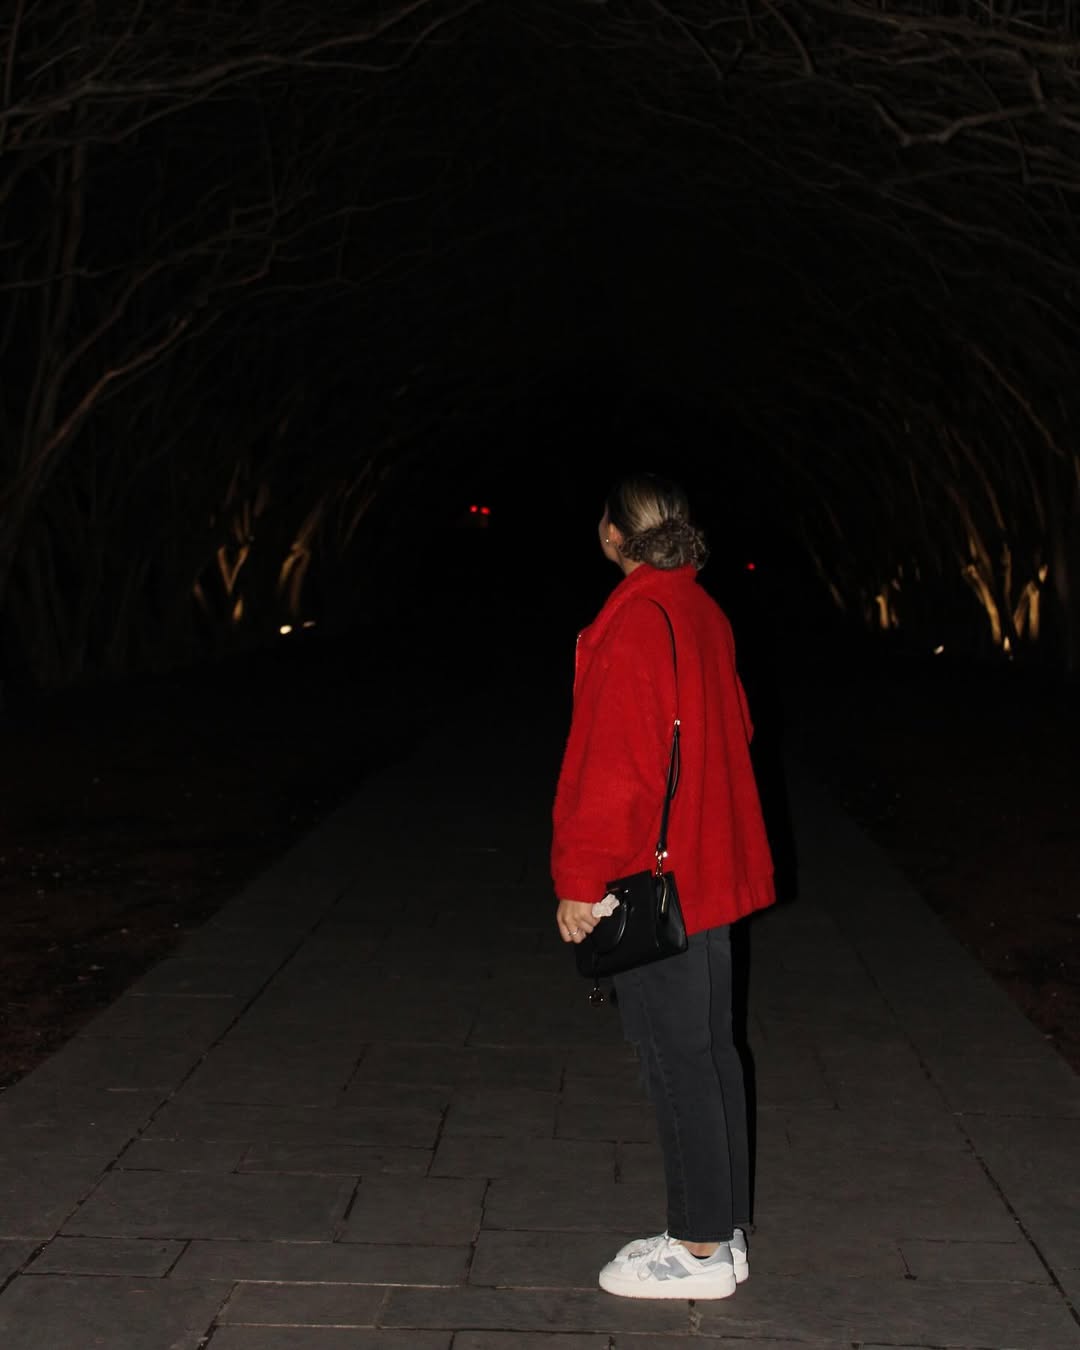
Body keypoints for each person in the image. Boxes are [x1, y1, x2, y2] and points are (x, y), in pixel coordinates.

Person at [551, 471, 776, 1300]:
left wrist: (581, 880)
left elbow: (616, 765)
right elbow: (736, 727)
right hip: (708, 866)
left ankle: (699, 1249)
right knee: (708, 1052)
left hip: (658, 874)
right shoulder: (700, 610)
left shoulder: (635, 619)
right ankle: (719, 1230)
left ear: (614, 533)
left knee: (674, 1059)